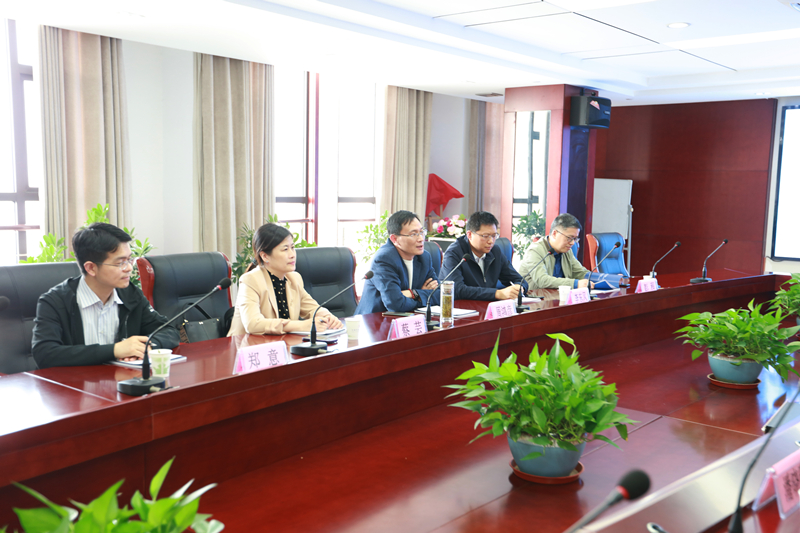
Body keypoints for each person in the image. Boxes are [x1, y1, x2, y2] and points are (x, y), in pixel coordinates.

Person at [32, 223, 180, 369]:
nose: (129, 268)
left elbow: (169, 331)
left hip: (122, 379)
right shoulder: (55, 301)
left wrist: (146, 346)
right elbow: (45, 354)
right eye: (120, 263)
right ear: (91, 268)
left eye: (129, 260)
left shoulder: (130, 294)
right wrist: (115, 350)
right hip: (75, 382)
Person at [227, 223, 342, 336]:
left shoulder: (294, 278)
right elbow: (253, 324)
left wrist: (327, 317)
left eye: (292, 247)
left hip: (282, 344)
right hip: (248, 346)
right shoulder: (250, 280)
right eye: (285, 249)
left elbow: (312, 308)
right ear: (265, 256)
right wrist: (303, 325)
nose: (292, 255)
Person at [355, 210, 440, 314]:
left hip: (409, 319)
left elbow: (439, 294)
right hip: (375, 319)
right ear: (394, 239)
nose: (421, 239)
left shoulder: (424, 257)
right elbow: (395, 304)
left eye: (422, 232)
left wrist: (411, 294)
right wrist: (419, 294)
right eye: (413, 234)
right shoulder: (384, 259)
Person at [440, 211, 527, 301]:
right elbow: (456, 289)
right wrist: (497, 293)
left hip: (487, 305)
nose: (491, 241)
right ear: (469, 235)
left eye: (494, 236)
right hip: (461, 307)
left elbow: (519, 280)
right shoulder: (454, 253)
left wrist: (519, 288)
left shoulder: (495, 251)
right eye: (485, 236)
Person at [520, 213, 593, 290]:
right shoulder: (535, 250)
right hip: (534, 296)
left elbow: (581, 273)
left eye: (575, 239)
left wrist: (601, 279)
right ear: (554, 234)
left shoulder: (567, 251)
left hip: (558, 295)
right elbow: (542, 280)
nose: (572, 243)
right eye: (569, 238)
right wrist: (575, 283)